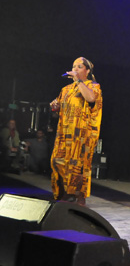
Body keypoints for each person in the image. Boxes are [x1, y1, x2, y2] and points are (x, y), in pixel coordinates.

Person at [50, 57, 102, 206]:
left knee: (76, 165)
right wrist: (55, 107)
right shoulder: (66, 90)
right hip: (64, 133)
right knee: (56, 161)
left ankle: (76, 197)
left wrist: (79, 81)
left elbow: (91, 98)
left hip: (81, 135)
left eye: (79, 67)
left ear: (87, 71)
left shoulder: (93, 86)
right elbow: (58, 110)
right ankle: (64, 193)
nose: (76, 69)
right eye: (74, 67)